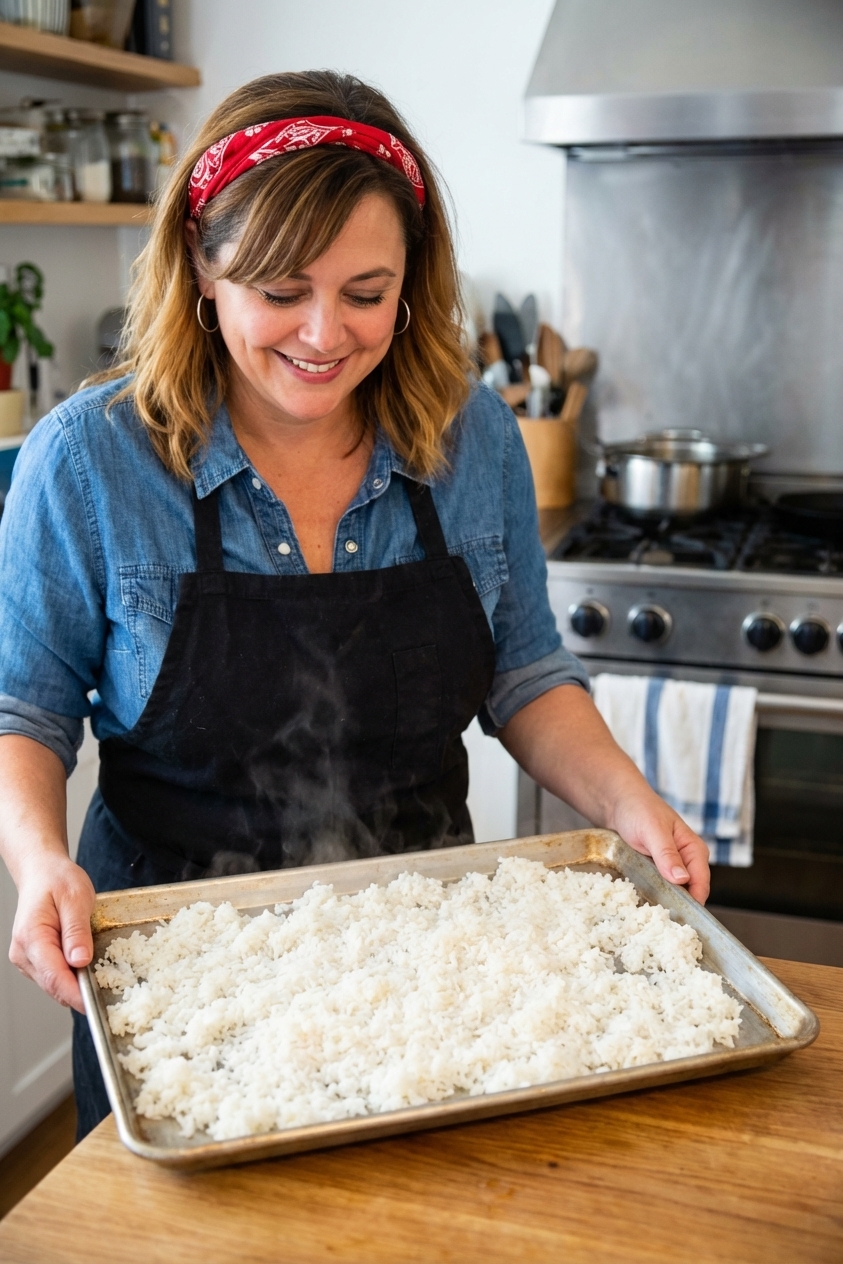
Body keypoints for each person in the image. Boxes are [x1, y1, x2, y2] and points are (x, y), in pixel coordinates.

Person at [0, 71, 710, 1140]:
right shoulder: (89, 460)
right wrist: (39, 860)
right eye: (282, 290)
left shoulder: (472, 436)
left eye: (366, 293)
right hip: (179, 979)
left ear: (412, 281)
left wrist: (627, 801)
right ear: (202, 266)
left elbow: (523, 671)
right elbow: (25, 709)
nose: (324, 333)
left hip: (431, 968)